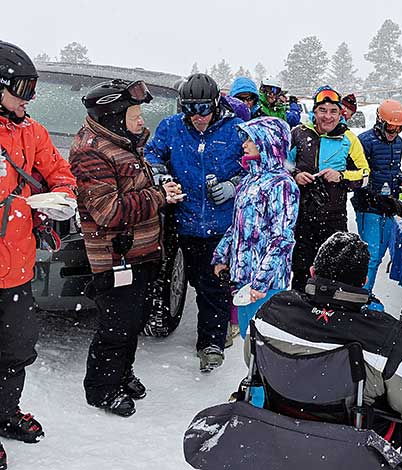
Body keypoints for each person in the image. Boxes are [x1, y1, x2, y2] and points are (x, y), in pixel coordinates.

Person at [250, 232, 402, 452]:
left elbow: (252, 363)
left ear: (313, 272)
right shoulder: (385, 335)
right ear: (364, 281)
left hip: (280, 422)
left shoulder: (273, 311)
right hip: (347, 443)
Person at [70, 79, 183, 416]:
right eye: (135, 114)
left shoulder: (126, 142)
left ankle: (121, 373)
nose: (141, 122)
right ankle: (102, 389)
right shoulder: (93, 152)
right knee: (116, 326)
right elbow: (109, 211)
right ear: (114, 116)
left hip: (141, 251)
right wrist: (160, 198)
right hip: (116, 256)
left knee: (133, 320)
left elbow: (132, 184)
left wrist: (159, 187)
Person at [0, 40, 77, 461]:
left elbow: (58, 171)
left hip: (17, 270)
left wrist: (60, 196)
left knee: (16, 350)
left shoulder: (32, 131)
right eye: (22, 89)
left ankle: (6, 412)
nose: (28, 99)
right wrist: (17, 205)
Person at [145, 73, 244, 372]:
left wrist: (234, 185)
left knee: (213, 284)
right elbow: (151, 154)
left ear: (215, 105)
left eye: (204, 109)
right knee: (188, 278)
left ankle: (211, 342)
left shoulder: (235, 130)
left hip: (220, 224)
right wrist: (162, 175)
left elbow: (255, 166)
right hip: (183, 220)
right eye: (190, 109)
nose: (198, 118)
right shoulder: (172, 127)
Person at [212, 117, 299, 337]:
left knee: (264, 343)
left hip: (266, 287)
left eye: (250, 139)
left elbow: (282, 239)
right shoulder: (249, 180)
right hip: (244, 279)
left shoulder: (282, 184)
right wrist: (222, 255)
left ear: (267, 143)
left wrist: (260, 283)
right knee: (248, 338)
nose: (244, 144)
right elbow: (238, 225)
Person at [287, 86, 369, 291]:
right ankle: (299, 318)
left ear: (340, 113)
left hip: (334, 219)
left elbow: (365, 175)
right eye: (322, 110)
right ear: (314, 112)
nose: (328, 116)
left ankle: (327, 320)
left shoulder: (349, 139)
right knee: (301, 273)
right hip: (301, 218)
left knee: (334, 276)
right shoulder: (298, 134)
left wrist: (341, 176)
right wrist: (295, 175)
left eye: (333, 111)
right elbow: (280, 167)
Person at [351, 100, 402, 292]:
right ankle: (362, 296)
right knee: (371, 256)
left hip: (389, 205)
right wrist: (375, 199)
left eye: (399, 128)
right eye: (391, 126)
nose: (394, 132)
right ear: (380, 121)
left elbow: (394, 169)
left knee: (379, 255)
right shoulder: (365, 141)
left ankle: (366, 292)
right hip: (368, 207)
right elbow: (359, 176)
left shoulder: (398, 142)